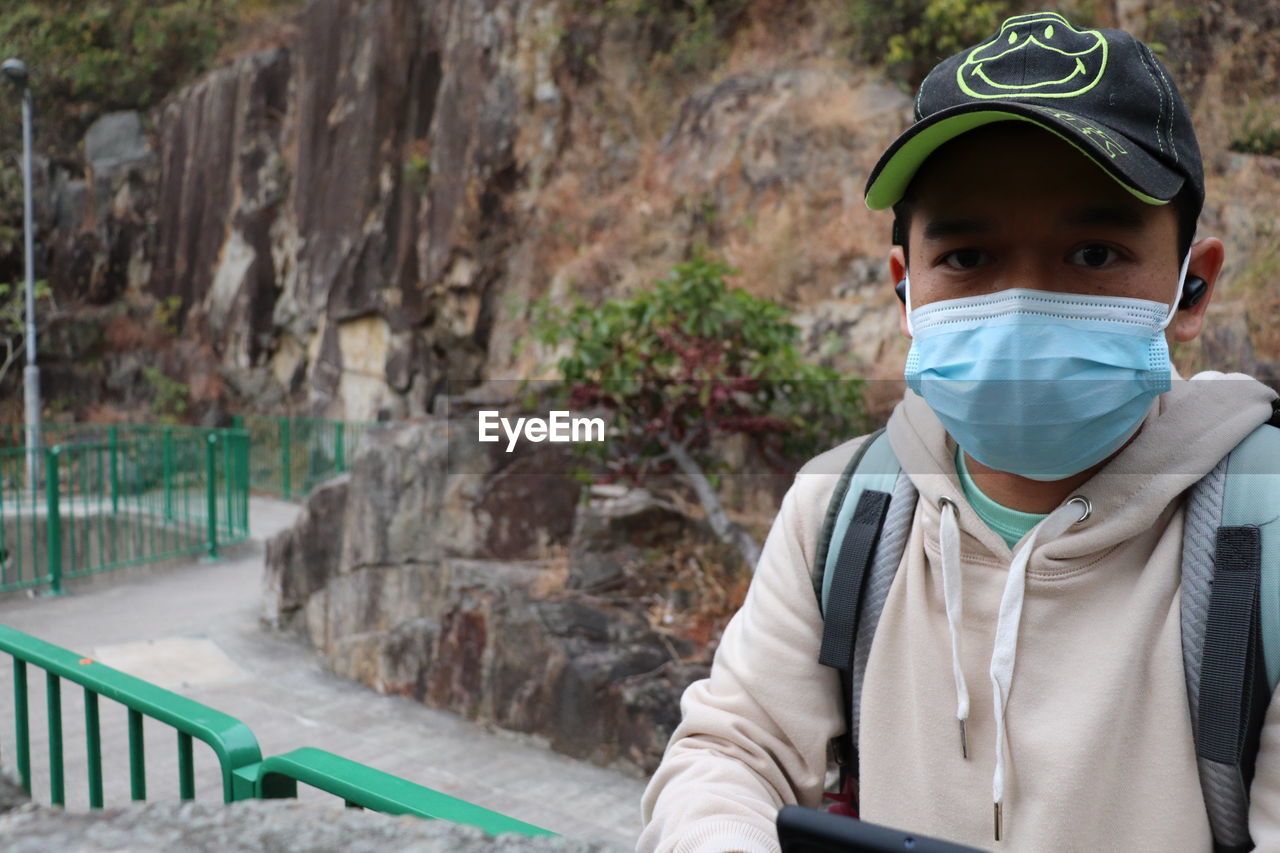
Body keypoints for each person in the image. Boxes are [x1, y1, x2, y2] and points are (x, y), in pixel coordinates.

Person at [637, 10, 1280, 853]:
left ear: (1191, 289)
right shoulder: (842, 508)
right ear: (906, 290)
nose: (1021, 303)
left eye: (1093, 253)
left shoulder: (1262, 529)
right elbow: (731, 749)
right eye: (969, 258)